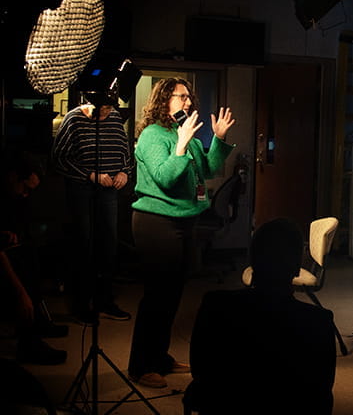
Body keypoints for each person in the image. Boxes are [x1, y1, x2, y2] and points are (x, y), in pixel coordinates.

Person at [189, 218, 337, 415]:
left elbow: (199, 370)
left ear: (252, 260)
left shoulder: (215, 306)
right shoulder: (319, 322)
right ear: (295, 267)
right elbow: (322, 389)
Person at [127, 77, 236, 389]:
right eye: (182, 97)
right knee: (156, 297)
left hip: (185, 221)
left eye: (190, 97)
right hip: (156, 224)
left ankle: (159, 357)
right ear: (164, 100)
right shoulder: (152, 135)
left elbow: (209, 170)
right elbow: (165, 179)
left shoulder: (181, 131)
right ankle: (139, 365)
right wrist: (181, 146)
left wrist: (217, 139)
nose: (189, 103)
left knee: (172, 296)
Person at [52, 101, 133, 323]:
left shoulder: (115, 117)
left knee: (108, 245)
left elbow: (124, 151)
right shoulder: (73, 119)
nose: (105, 114)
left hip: (109, 190)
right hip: (81, 189)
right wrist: (90, 174)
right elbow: (59, 158)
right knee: (83, 245)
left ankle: (104, 302)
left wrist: (124, 172)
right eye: (101, 110)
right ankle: (81, 305)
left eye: (108, 110)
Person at [1, 150, 68, 365]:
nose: (25, 195)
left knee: (29, 250)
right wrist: (22, 294)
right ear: (14, 177)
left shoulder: (14, 196)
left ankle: (38, 321)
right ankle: (29, 342)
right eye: (25, 188)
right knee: (22, 263)